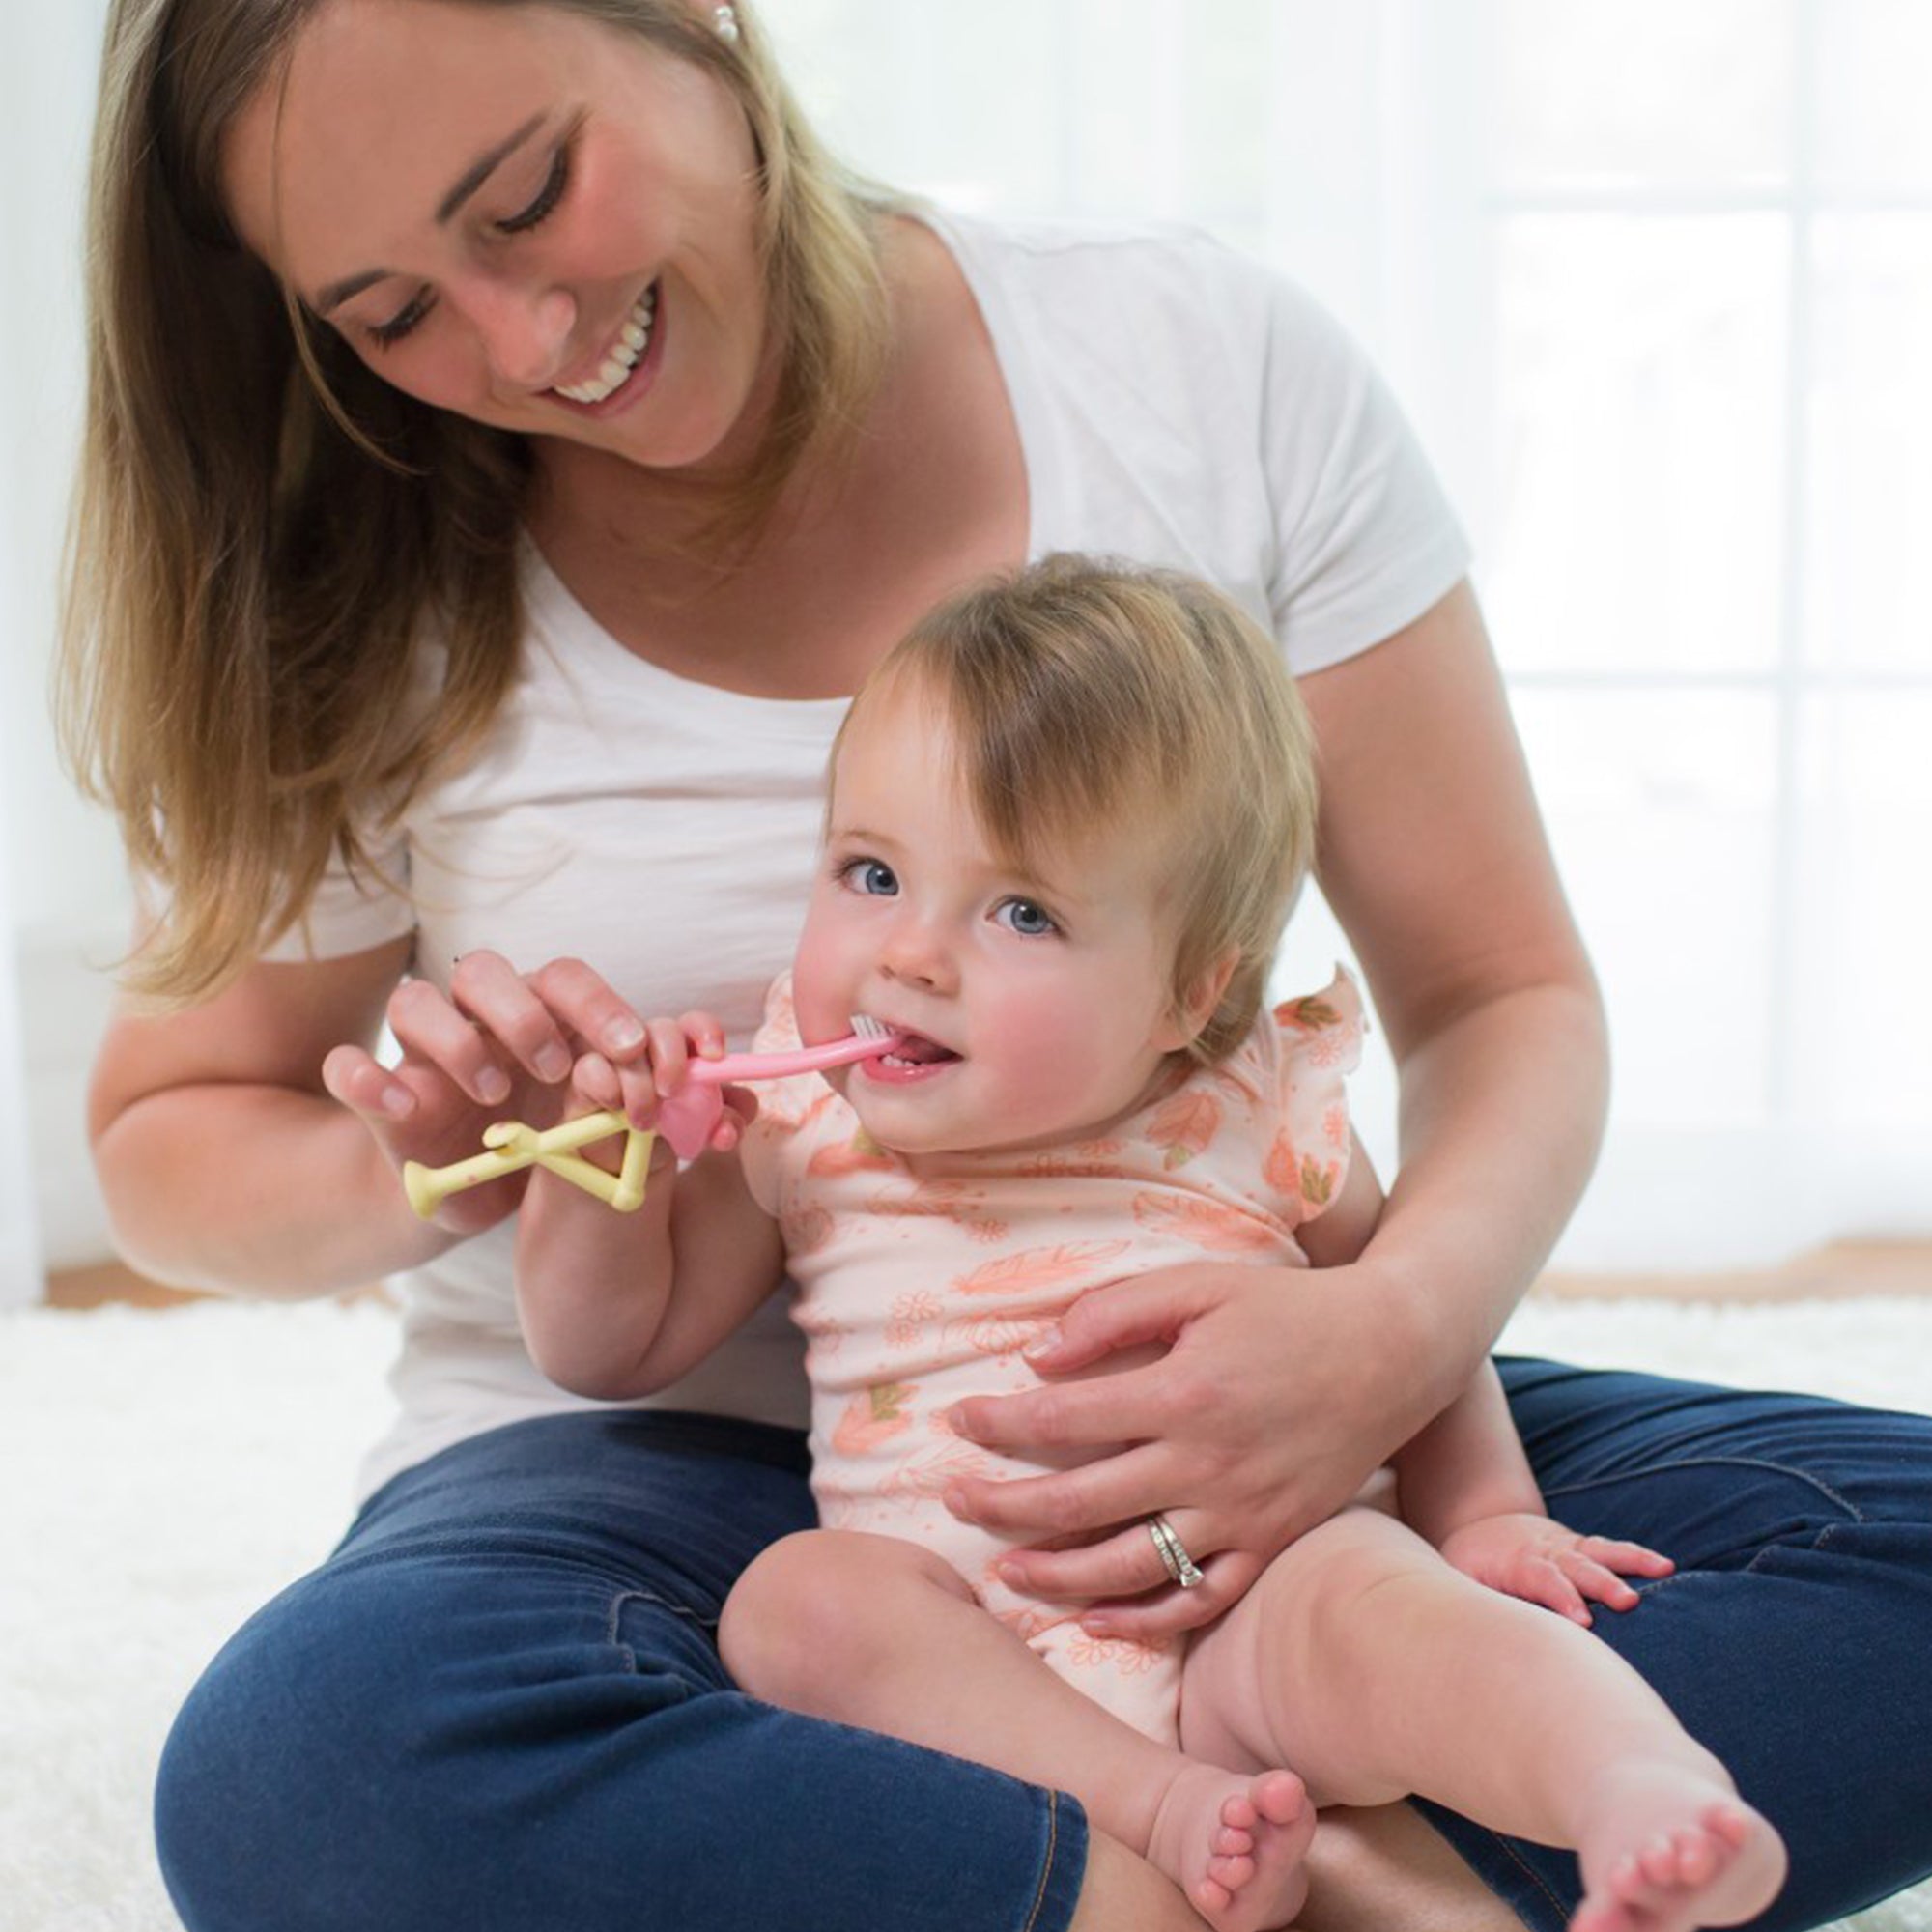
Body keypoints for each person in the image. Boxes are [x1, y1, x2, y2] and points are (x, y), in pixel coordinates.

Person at [56, 1, 1932, 1928]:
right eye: (389, 311)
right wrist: (468, 1153)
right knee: (316, 1769)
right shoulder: (364, 576)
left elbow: (1495, 994)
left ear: (697, 21)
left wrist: (1380, 1350)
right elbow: (194, 1153)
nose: (523, 341)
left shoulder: (1199, 365)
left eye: (530, 196)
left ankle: (1138, 1861)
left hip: (1249, 1440)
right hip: (655, 1494)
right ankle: (1296, 1889)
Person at [512, 556, 1787, 1932]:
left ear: (1195, 993)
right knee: (794, 1608)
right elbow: (609, 1345)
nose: (913, 956)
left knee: (1405, 1620)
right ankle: (1169, 1819)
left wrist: (1487, 1518)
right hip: (966, 1654)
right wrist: (605, 1167)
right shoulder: (805, 1110)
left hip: (1259, 1596)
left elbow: (1410, 1323)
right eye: (871, 873)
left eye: (1023, 914)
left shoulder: (1256, 1104)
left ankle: (1639, 1791)